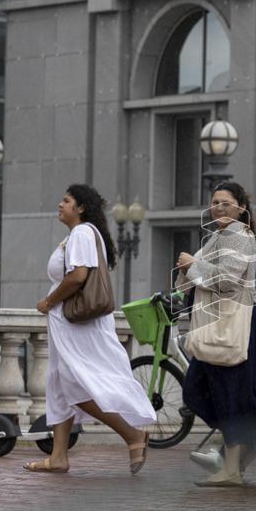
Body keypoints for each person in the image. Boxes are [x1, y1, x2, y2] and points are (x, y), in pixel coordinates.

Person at [26, 184, 157, 475]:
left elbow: (78, 277)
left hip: (78, 324)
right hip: (69, 325)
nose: (60, 205)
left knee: (77, 384)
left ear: (81, 207)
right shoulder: (77, 235)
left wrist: (49, 301)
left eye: (66, 200)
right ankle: (58, 457)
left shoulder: (83, 233)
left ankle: (132, 435)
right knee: (60, 383)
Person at [175, 182, 256, 487]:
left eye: (226, 203)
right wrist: (189, 267)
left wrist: (192, 264)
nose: (219, 208)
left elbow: (227, 281)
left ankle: (235, 463)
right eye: (215, 203)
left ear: (241, 207)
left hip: (232, 324)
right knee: (201, 392)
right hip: (215, 325)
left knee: (230, 395)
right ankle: (246, 441)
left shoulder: (240, 235)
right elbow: (195, 278)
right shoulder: (218, 236)